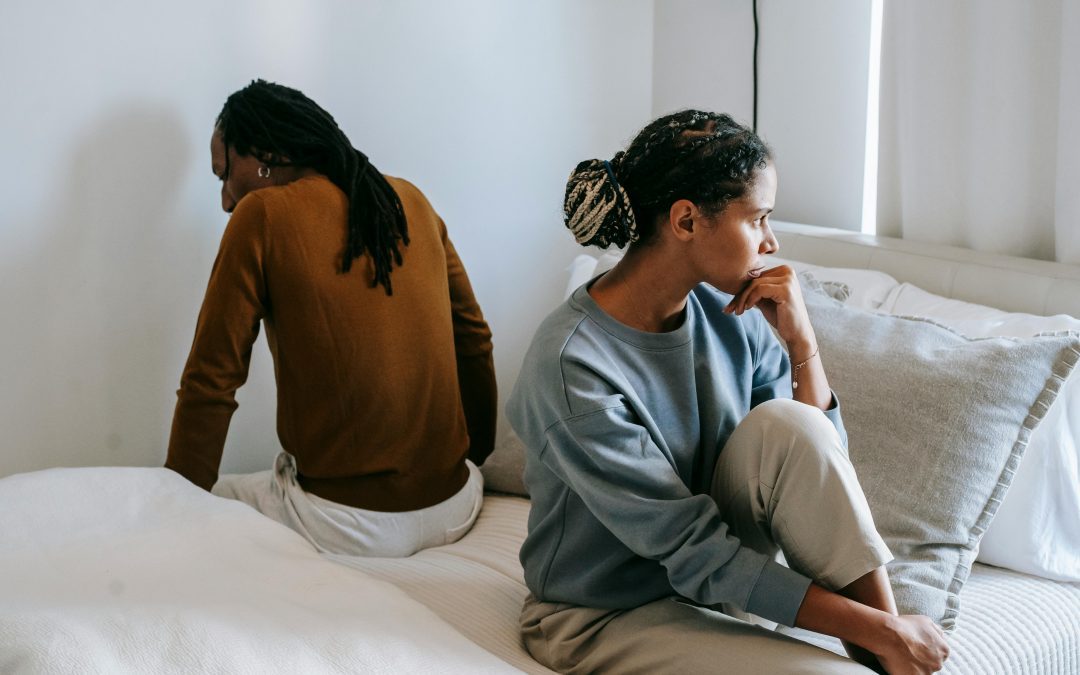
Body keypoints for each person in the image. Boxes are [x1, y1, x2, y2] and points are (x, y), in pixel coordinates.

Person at [506, 110, 949, 674]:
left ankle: (894, 659)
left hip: (719, 588)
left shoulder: (730, 313)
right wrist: (883, 629)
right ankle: (889, 645)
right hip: (607, 614)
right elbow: (695, 550)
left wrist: (802, 344)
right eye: (758, 217)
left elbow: (816, 466)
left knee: (793, 423)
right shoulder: (572, 365)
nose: (771, 240)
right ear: (686, 221)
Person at [165, 79, 496, 558]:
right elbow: (474, 341)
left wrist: (169, 514)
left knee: (213, 499)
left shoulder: (262, 215)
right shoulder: (413, 202)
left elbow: (210, 383)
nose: (224, 199)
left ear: (261, 154)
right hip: (458, 506)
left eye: (223, 174)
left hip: (349, 526)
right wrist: (472, 461)